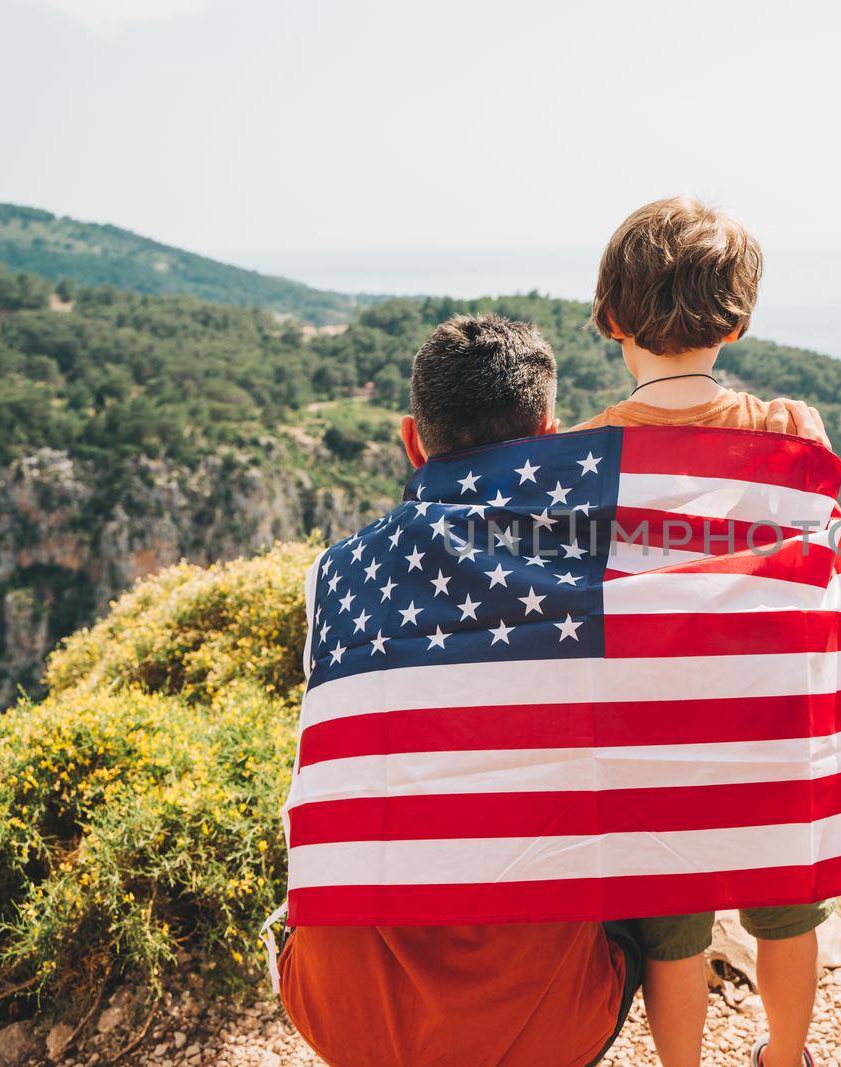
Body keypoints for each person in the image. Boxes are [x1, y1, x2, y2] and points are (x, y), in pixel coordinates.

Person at [277, 314, 642, 1067]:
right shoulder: (593, 561)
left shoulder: (331, 574)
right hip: (541, 1028)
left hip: (343, 1015)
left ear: (413, 439)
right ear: (549, 433)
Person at [576, 195, 828, 1067]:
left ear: (611, 316)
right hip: (765, 722)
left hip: (652, 733)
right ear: (741, 318)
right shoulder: (786, 431)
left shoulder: (585, 453)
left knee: (672, 930)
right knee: (789, 913)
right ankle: (785, 1057)